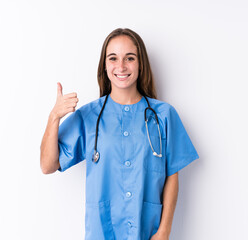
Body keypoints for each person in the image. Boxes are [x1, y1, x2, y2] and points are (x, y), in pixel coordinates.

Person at [40, 28, 199, 240]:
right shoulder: (89, 116)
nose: (121, 66)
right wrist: (54, 118)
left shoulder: (163, 115)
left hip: (147, 232)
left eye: (130, 58)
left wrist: (164, 231)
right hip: (102, 232)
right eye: (113, 58)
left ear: (140, 64)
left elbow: (172, 175)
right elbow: (48, 165)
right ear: (104, 66)